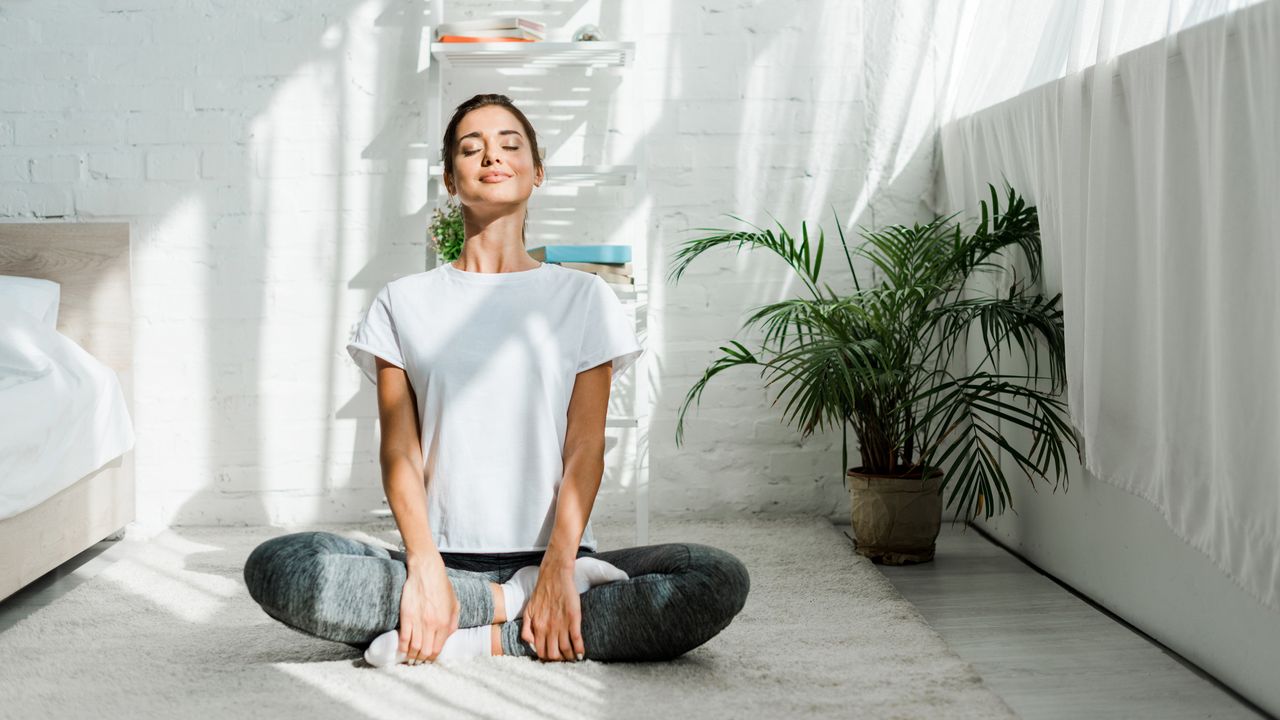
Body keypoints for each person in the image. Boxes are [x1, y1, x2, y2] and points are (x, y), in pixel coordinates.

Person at [243, 93, 750, 667]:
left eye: (510, 144)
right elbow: (399, 452)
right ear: (450, 179)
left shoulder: (584, 297)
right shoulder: (402, 302)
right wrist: (426, 567)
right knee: (282, 566)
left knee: (714, 577)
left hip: (560, 553)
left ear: (536, 172)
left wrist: (558, 567)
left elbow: (585, 448)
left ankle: (473, 631)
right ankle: (514, 606)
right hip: (441, 557)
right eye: (471, 147)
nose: (492, 155)